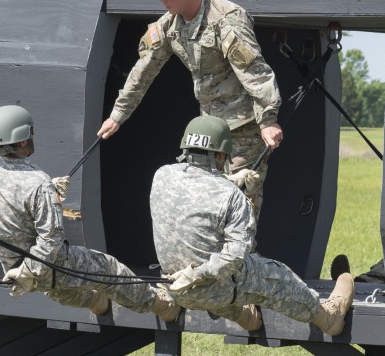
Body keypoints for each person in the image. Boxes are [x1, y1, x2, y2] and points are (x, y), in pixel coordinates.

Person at [98, 0, 283, 220]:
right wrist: (118, 115)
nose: (163, 0)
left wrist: (268, 121)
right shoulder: (169, 24)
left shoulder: (226, 20)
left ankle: (242, 260)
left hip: (244, 126)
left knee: (240, 204)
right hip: (209, 129)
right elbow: (143, 71)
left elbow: (255, 72)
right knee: (205, 200)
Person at [0, 105, 179, 322]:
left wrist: (49, 192)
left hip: (12, 265)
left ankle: (96, 303)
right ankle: (163, 306)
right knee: (108, 268)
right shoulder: (36, 181)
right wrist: (30, 271)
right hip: (42, 265)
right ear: (22, 140)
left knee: (56, 287)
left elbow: (5, 206)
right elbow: (51, 240)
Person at [149, 115, 354, 335]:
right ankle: (327, 318)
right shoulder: (230, 197)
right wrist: (235, 193)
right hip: (214, 290)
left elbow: (197, 190)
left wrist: (231, 181)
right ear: (220, 154)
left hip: (173, 285)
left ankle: (247, 317)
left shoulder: (162, 175)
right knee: (279, 277)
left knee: (228, 278)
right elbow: (234, 257)